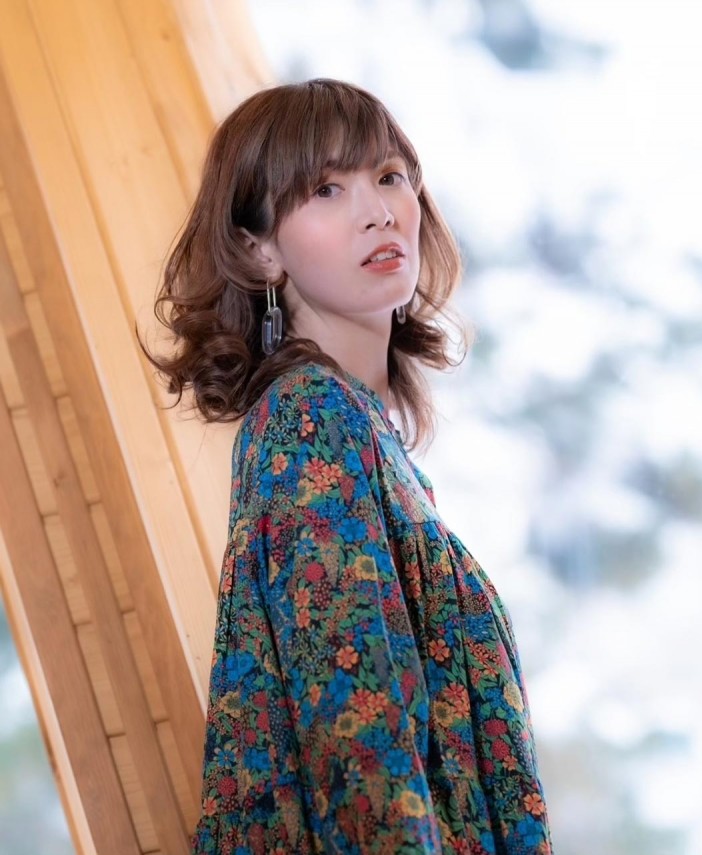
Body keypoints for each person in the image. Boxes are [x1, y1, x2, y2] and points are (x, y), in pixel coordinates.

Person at [143, 78, 553, 854]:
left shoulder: (365, 435)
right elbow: (362, 750)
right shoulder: (311, 418)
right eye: (327, 189)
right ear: (259, 248)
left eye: (390, 176)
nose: (378, 210)